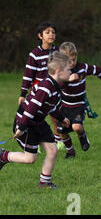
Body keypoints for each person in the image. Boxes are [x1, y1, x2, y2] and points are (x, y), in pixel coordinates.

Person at [0, 51, 72, 189]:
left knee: (53, 150)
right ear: (58, 71)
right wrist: (21, 127)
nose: (70, 72)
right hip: (26, 122)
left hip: (38, 122)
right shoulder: (45, 87)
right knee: (30, 159)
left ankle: (45, 183)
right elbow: (31, 109)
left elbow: (49, 107)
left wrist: (62, 118)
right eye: (68, 69)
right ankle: (3, 155)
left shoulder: (56, 86)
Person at [57, 42, 101, 158]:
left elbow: (98, 70)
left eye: (74, 59)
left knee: (77, 127)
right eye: (68, 61)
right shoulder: (61, 72)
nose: (72, 63)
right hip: (64, 106)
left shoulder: (83, 68)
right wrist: (68, 80)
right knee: (62, 132)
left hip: (79, 105)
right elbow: (58, 86)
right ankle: (70, 151)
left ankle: (82, 137)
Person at [18, 21, 64, 148]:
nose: (51, 35)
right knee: (35, 117)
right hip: (39, 92)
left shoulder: (58, 52)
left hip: (55, 90)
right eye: (47, 32)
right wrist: (23, 93)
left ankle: (58, 140)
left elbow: (64, 71)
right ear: (40, 36)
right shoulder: (34, 54)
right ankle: (32, 143)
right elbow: (28, 75)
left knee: (55, 115)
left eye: (53, 32)